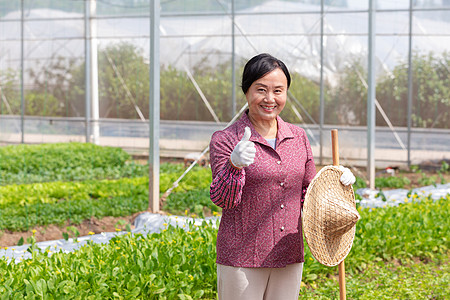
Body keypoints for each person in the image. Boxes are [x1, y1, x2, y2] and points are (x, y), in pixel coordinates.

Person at [209, 53, 356, 299]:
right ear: (247, 92)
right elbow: (223, 200)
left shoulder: (297, 137)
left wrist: (337, 185)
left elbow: (309, 195)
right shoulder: (226, 139)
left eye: (278, 91)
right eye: (261, 90)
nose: (270, 99)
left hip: (288, 253)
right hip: (242, 257)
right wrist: (233, 166)